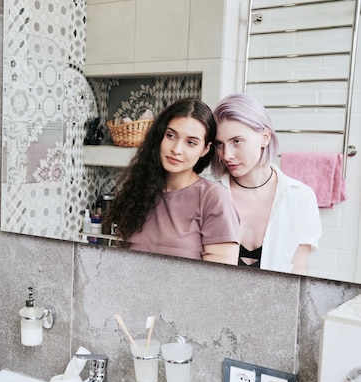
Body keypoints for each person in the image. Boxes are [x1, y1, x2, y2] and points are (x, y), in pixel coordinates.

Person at [104, 98, 240, 265]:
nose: (176, 149)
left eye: (191, 143)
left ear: (205, 149)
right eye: (171, 136)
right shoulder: (139, 192)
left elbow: (221, 279)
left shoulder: (213, 198)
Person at [212, 93, 321, 274]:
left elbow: (298, 273)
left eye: (237, 141)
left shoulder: (301, 197)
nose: (226, 155)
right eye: (219, 144)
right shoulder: (208, 193)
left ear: (265, 137)